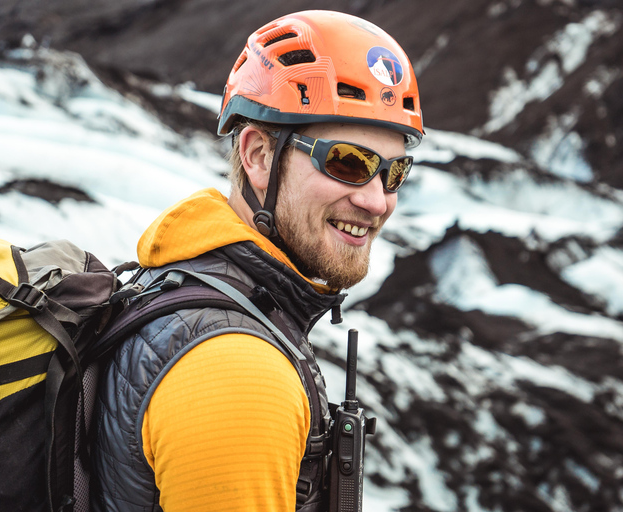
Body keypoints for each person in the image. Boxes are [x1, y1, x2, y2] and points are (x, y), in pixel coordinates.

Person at [90, 9, 424, 512]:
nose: (377, 202)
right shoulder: (238, 375)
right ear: (259, 156)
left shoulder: (189, 279)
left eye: (394, 173)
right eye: (348, 163)